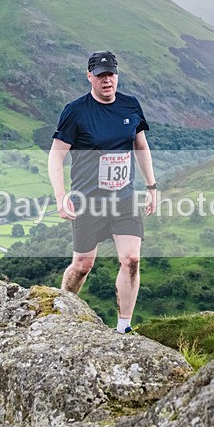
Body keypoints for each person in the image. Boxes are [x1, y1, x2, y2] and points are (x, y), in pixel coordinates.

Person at [48, 51, 157, 334]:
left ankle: (123, 327)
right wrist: (61, 196)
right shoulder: (76, 111)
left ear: (117, 75)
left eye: (110, 74)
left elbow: (141, 147)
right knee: (83, 265)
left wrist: (152, 187)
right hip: (88, 202)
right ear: (90, 77)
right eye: (100, 75)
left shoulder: (130, 106)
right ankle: (62, 308)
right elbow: (55, 157)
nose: (107, 80)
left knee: (131, 259)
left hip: (124, 199)